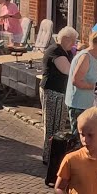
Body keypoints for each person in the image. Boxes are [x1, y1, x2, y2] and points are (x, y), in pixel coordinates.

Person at [40, 27, 77, 163]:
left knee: (58, 126)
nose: (73, 44)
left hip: (60, 93)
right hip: (53, 92)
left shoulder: (64, 51)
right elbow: (68, 70)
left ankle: (52, 155)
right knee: (53, 126)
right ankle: (49, 156)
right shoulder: (56, 51)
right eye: (72, 41)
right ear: (66, 39)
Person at [66, 31, 97, 130]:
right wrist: (96, 87)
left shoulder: (94, 57)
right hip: (79, 105)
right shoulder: (86, 56)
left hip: (86, 104)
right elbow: (76, 81)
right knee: (79, 138)